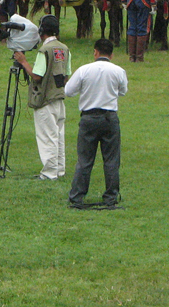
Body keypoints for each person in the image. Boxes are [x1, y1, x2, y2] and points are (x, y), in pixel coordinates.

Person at [66, 38, 128, 210]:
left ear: (95, 52)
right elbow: (123, 91)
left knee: (85, 160)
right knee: (111, 160)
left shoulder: (84, 70)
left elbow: (68, 91)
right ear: (112, 54)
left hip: (89, 118)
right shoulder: (118, 71)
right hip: (109, 118)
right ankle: (110, 197)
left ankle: (77, 196)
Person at [13, 14, 69, 180]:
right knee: (59, 136)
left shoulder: (44, 50)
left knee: (47, 137)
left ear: (42, 30)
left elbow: (37, 76)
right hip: (59, 98)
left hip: (45, 100)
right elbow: (66, 75)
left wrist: (23, 61)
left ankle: (49, 172)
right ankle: (59, 169)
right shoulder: (64, 48)